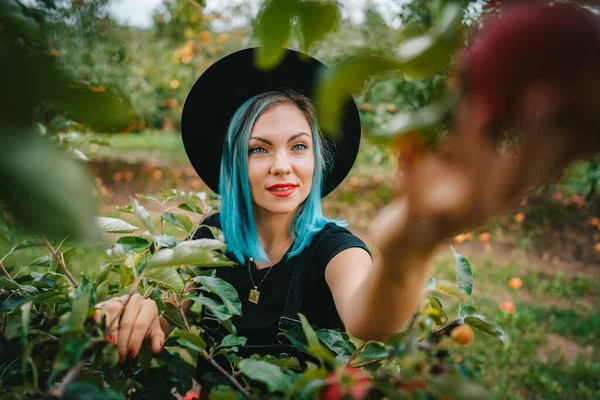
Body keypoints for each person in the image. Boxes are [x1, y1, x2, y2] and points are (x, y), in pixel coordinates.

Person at [94, 46, 596, 371]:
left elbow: (371, 318)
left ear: (317, 158)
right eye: (259, 149)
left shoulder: (337, 251)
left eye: (298, 146)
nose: (282, 167)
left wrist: (406, 247)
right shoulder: (208, 237)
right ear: (235, 162)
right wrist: (140, 315)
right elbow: (177, 323)